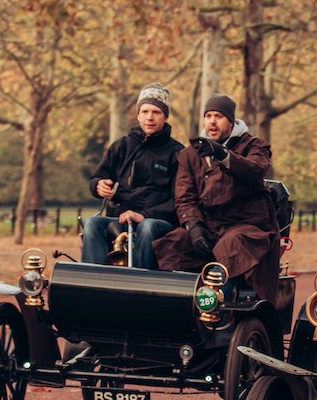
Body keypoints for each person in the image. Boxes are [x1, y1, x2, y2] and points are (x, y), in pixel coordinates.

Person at [153, 94, 280, 301]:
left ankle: (218, 308)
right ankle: (171, 305)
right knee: (173, 243)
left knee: (229, 247)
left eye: (219, 116)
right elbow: (185, 196)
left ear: (230, 121)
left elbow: (257, 169)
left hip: (247, 224)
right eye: (208, 115)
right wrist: (193, 226)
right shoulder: (190, 154)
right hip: (208, 224)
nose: (212, 121)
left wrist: (223, 155)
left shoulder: (255, 145)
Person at [82, 82, 184, 269]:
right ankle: (93, 282)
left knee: (147, 227)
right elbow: (98, 177)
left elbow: (178, 201)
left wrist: (143, 215)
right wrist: (98, 185)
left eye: (156, 112)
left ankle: (139, 284)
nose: (149, 117)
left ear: (166, 116)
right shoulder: (121, 146)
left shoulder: (178, 153)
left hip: (156, 222)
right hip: (119, 218)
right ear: (138, 115)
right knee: (92, 223)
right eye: (144, 112)